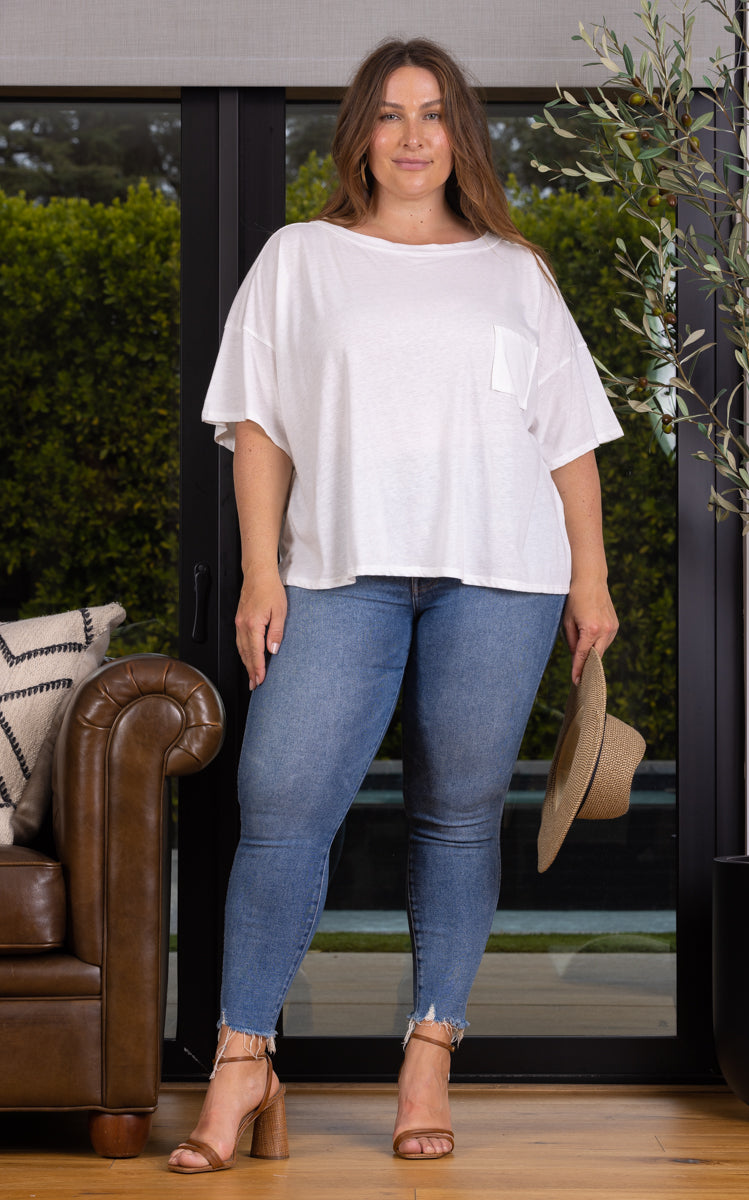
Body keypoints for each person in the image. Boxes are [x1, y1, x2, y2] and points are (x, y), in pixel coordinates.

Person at [168, 36, 621, 1175]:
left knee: (458, 816)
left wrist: (592, 576)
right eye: (388, 113)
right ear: (358, 137)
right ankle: (241, 1058)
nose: (412, 135)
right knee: (279, 803)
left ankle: (429, 1054)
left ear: (460, 135)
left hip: (503, 574)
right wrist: (260, 571)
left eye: (432, 113)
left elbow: (567, 439)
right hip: (338, 572)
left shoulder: (516, 271)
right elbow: (259, 425)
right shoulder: (299, 258)